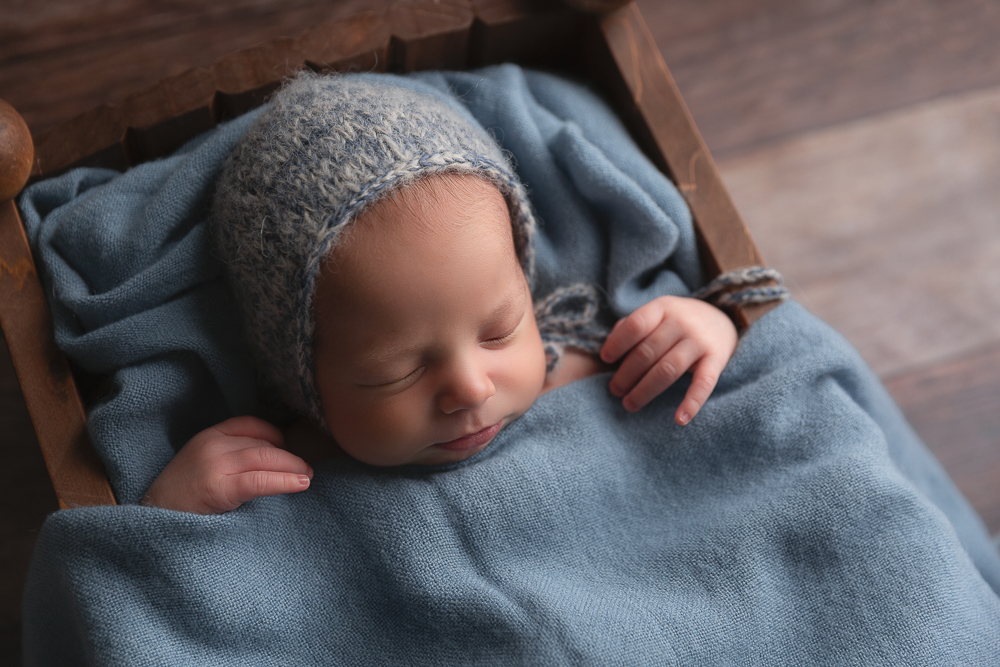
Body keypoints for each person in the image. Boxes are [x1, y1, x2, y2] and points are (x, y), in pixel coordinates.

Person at [141, 73, 738, 514]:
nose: (472, 388)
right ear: (303, 384)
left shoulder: (597, 357)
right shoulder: (294, 464)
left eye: (500, 330)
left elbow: (722, 398)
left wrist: (710, 325)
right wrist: (175, 507)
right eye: (395, 372)